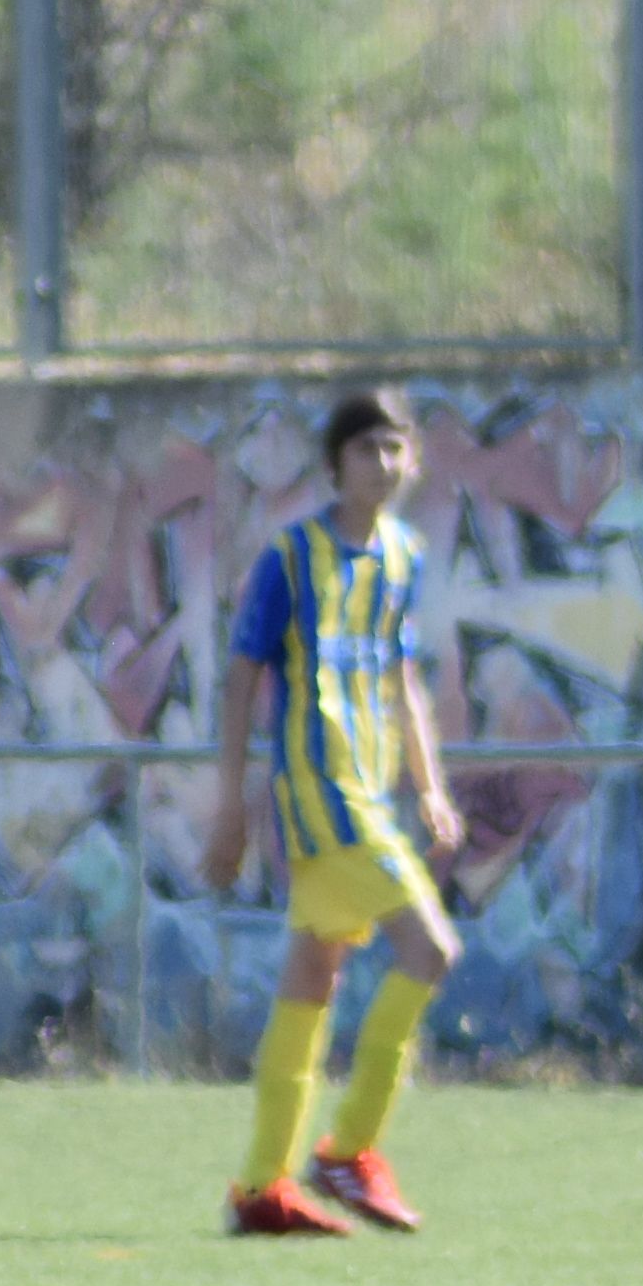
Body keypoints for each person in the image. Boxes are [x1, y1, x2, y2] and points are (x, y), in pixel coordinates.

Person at [201, 387, 463, 1239]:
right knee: (430, 948)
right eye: (366, 450)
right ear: (334, 465)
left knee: (315, 973)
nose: (383, 465)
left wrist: (428, 784)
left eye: (396, 448)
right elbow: (243, 678)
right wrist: (232, 801)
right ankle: (348, 1150)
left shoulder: (403, 557)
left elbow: (401, 680)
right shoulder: (291, 557)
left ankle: (260, 1186)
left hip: (372, 789)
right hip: (321, 793)